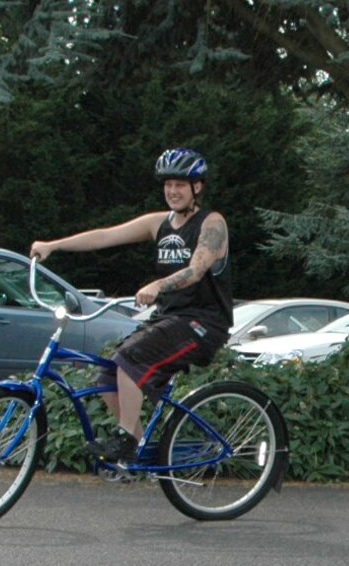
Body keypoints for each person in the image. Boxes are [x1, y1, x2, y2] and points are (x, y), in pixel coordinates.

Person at [30, 148, 233, 462]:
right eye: (168, 184)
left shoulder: (212, 223)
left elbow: (197, 270)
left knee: (130, 358)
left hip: (203, 323)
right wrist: (53, 246)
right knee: (109, 374)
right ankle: (137, 447)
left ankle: (124, 441)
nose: (172, 191)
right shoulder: (158, 223)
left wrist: (157, 285)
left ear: (197, 187)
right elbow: (105, 236)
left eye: (180, 184)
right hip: (170, 318)